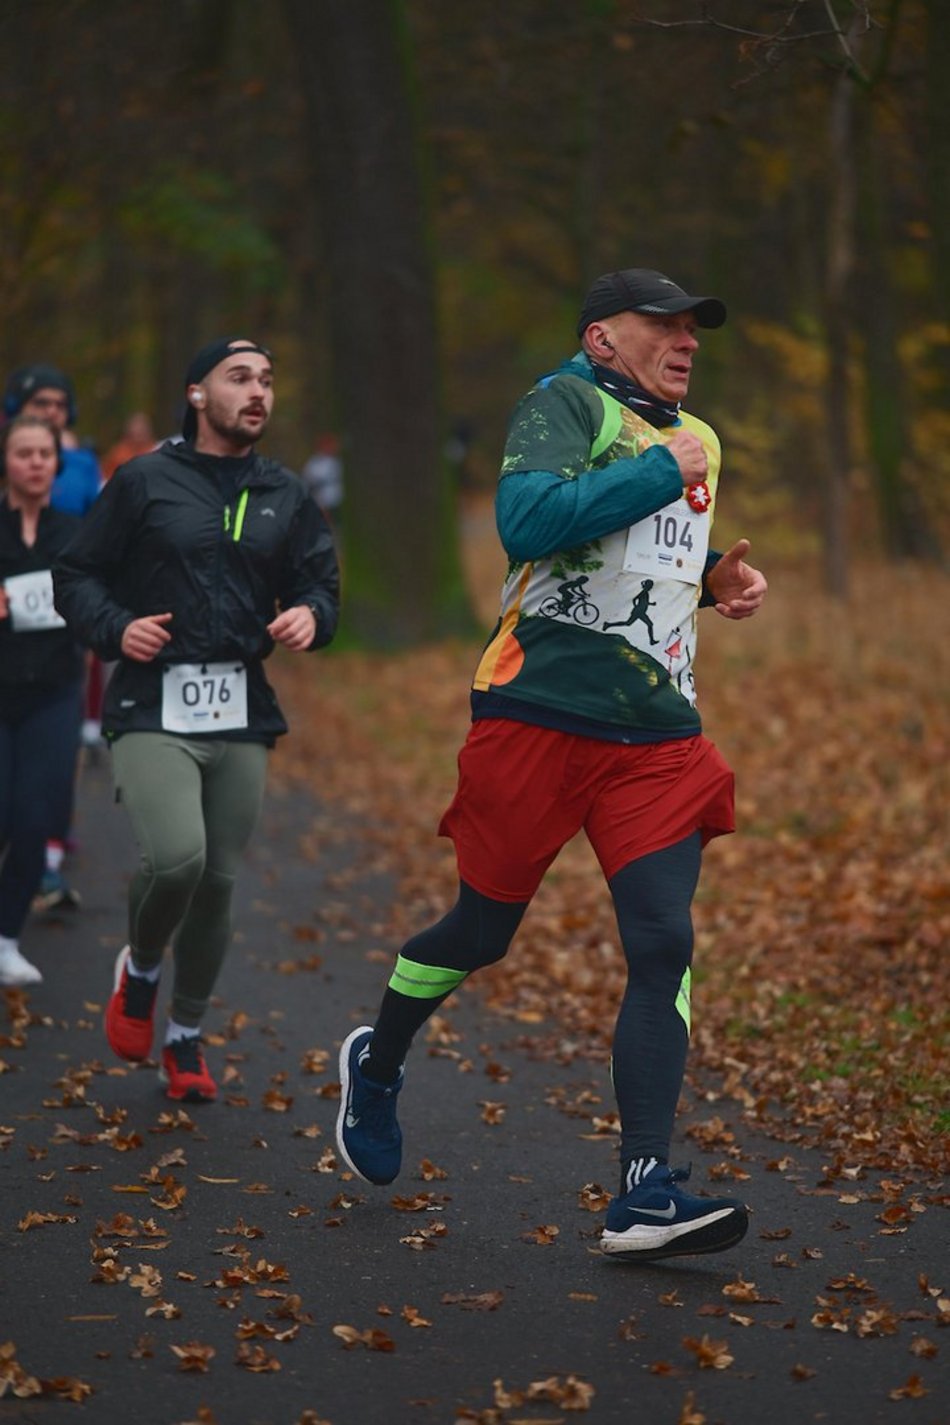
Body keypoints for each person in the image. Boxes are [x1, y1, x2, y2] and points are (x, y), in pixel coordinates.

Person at [335, 268, 768, 1262]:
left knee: (662, 942)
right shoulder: (562, 402)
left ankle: (643, 1190)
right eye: (659, 323)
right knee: (481, 931)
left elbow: (621, 566)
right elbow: (529, 525)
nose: (684, 338)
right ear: (600, 338)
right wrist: (670, 466)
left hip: (655, 738)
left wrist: (713, 579)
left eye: (693, 325)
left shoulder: (695, 434)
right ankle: (381, 1059)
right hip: (535, 716)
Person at [53, 337, 340, 1102]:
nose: (258, 392)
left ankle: (184, 1031)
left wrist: (313, 613)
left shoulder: (284, 489)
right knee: (178, 857)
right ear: (196, 393)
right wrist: (116, 628)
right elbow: (76, 573)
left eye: (268, 380)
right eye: (239, 378)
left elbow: (320, 577)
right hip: (153, 699)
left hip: (241, 703)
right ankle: (142, 965)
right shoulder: (145, 480)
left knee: (217, 881)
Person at [3, 362, 102, 908]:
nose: (51, 413)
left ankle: (46, 864)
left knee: (45, 782)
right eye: (41, 402)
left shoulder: (82, 472)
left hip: (60, 643)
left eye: (60, 405)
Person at [0, 416, 85, 986]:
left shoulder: (76, 533)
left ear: (57, 463)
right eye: (23, 452)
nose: (34, 462)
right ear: (6, 461)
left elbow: (99, 599)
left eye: (44, 454)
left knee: (35, 817)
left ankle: (6, 939)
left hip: (55, 691)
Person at [101, 411, 156, 481]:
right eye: (136, 428)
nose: (139, 433)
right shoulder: (118, 453)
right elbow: (106, 477)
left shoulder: (156, 450)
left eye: (142, 428)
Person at [300, 433, 344, 523]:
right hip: (320, 501)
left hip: (334, 501)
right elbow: (308, 480)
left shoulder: (335, 462)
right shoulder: (314, 463)